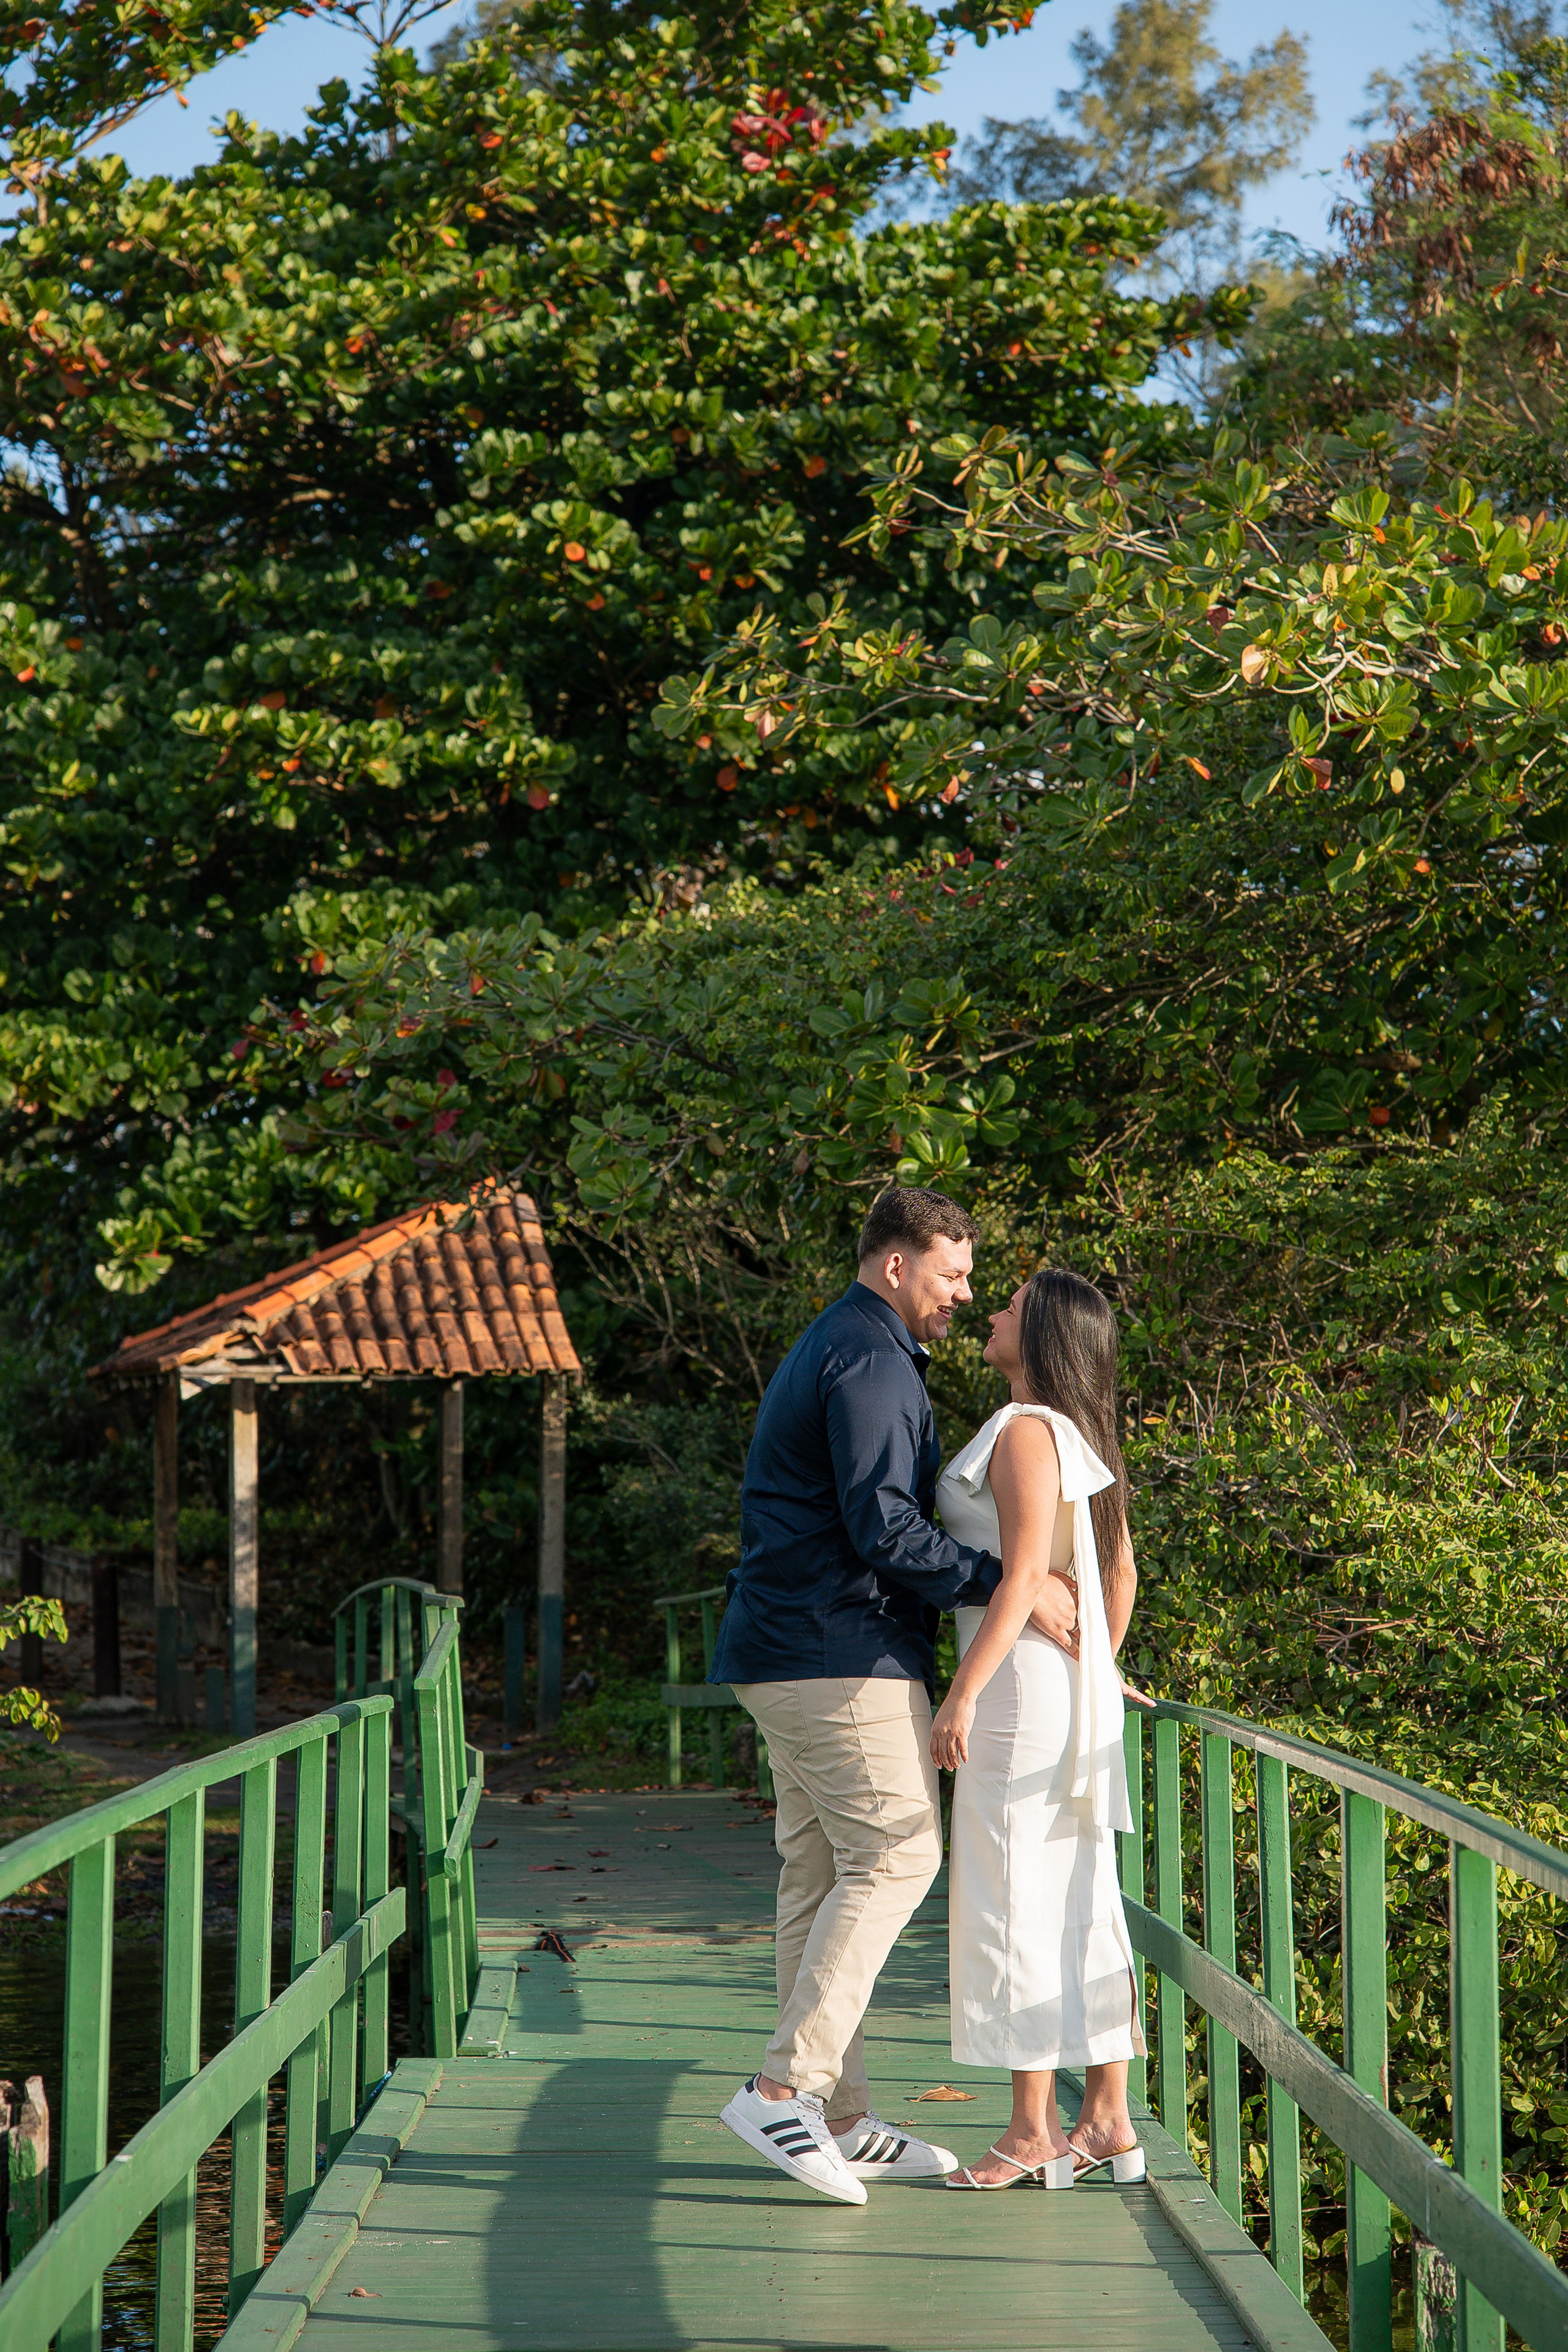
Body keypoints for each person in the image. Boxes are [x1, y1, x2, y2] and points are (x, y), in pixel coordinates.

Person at [711, 1187, 1079, 2206]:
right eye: (954, 1274)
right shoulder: (871, 1359)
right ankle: (782, 2088)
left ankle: (836, 2115)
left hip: (791, 1647)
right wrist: (1008, 1581)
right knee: (902, 1852)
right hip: (835, 1651)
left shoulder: (849, 1343)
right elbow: (883, 1528)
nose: (964, 1295)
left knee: (820, 1873)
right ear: (896, 1266)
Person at [930, 1268, 1152, 2192]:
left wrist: (962, 1694)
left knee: (1014, 1890)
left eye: (1012, 1307)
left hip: (1021, 1695)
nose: (991, 1312)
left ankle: (1032, 2131)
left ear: (1047, 1336)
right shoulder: (1081, 1433)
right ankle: (1107, 2119)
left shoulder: (1027, 1430)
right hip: (1067, 1692)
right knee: (1080, 1888)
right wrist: (1094, 1660)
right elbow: (1123, 1572)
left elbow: (1021, 1578)